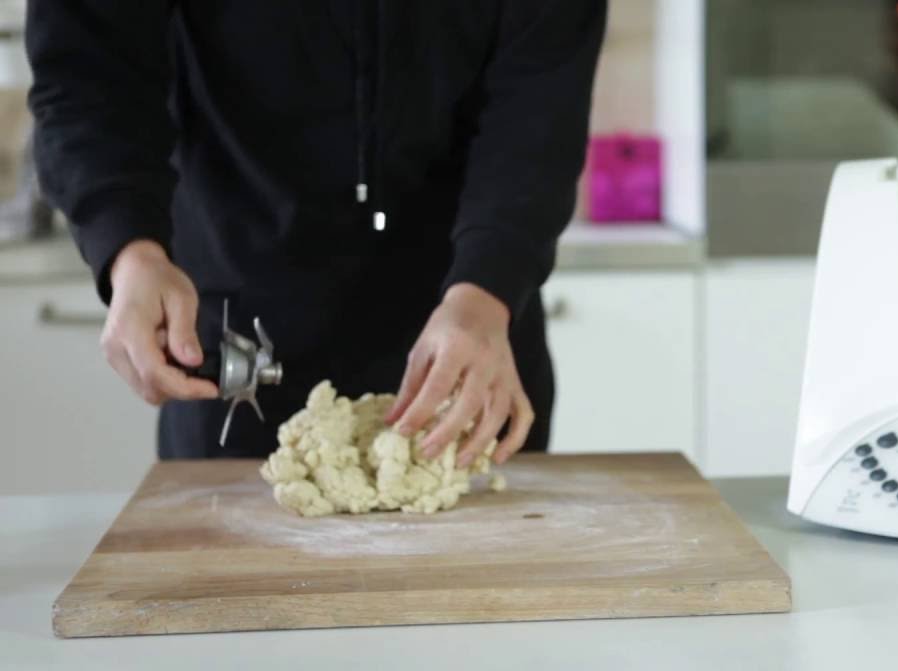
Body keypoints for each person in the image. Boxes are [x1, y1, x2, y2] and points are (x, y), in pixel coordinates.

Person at [27, 2, 606, 466]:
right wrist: (129, 246)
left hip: (471, 336)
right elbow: (87, 70)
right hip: (235, 339)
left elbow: (537, 112)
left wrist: (488, 290)